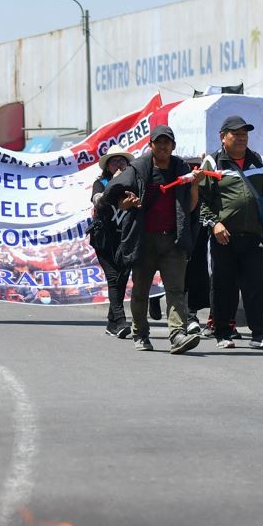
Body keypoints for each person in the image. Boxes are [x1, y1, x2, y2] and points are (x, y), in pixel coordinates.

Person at [104, 125, 202, 354]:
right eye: (159, 142)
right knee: (140, 291)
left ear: (173, 146)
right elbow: (118, 199)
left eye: (167, 142)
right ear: (151, 145)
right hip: (144, 241)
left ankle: (177, 334)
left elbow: (189, 208)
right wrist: (127, 202)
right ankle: (140, 333)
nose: (163, 146)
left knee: (176, 290)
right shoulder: (138, 169)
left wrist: (195, 186)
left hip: (173, 242)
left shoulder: (181, 169)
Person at [198, 115, 263, 350]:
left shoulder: (259, 161)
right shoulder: (212, 162)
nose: (241, 138)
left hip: (254, 236)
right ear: (222, 137)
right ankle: (223, 333)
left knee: (257, 286)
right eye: (235, 134)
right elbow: (202, 201)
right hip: (223, 237)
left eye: (244, 134)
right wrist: (215, 224)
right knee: (223, 286)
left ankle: (260, 334)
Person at [89, 144, 134, 338]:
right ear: (107, 166)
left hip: (125, 240)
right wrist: (114, 184)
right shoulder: (100, 183)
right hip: (104, 241)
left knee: (122, 279)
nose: (118, 164)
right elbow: (98, 201)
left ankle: (111, 323)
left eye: (121, 161)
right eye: (114, 161)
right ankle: (121, 321)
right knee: (113, 278)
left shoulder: (132, 184)